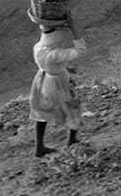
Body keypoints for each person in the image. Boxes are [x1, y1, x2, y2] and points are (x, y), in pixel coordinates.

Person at [27, 9, 87, 158]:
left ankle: (39, 147)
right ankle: (72, 140)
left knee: (42, 113)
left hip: (43, 80)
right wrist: (73, 29)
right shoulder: (55, 53)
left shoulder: (38, 47)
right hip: (58, 82)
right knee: (73, 107)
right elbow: (80, 51)